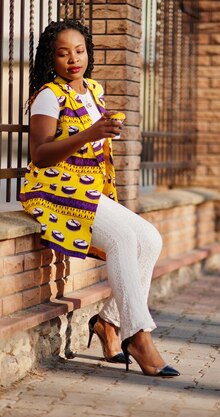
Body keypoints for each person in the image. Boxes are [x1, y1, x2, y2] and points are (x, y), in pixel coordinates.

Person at [19, 20, 179, 377]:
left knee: (150, 239)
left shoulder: (93, 89)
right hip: (54, 191)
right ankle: (137, 336)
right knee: (123, 239)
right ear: (51, 57)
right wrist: (90, 133)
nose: (73, 59)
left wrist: (102, 135)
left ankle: (108, 323)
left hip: (88, 189)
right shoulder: (48, 95)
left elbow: (90, 141)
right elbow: (40, 154)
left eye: (79, 51)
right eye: (63, 53)